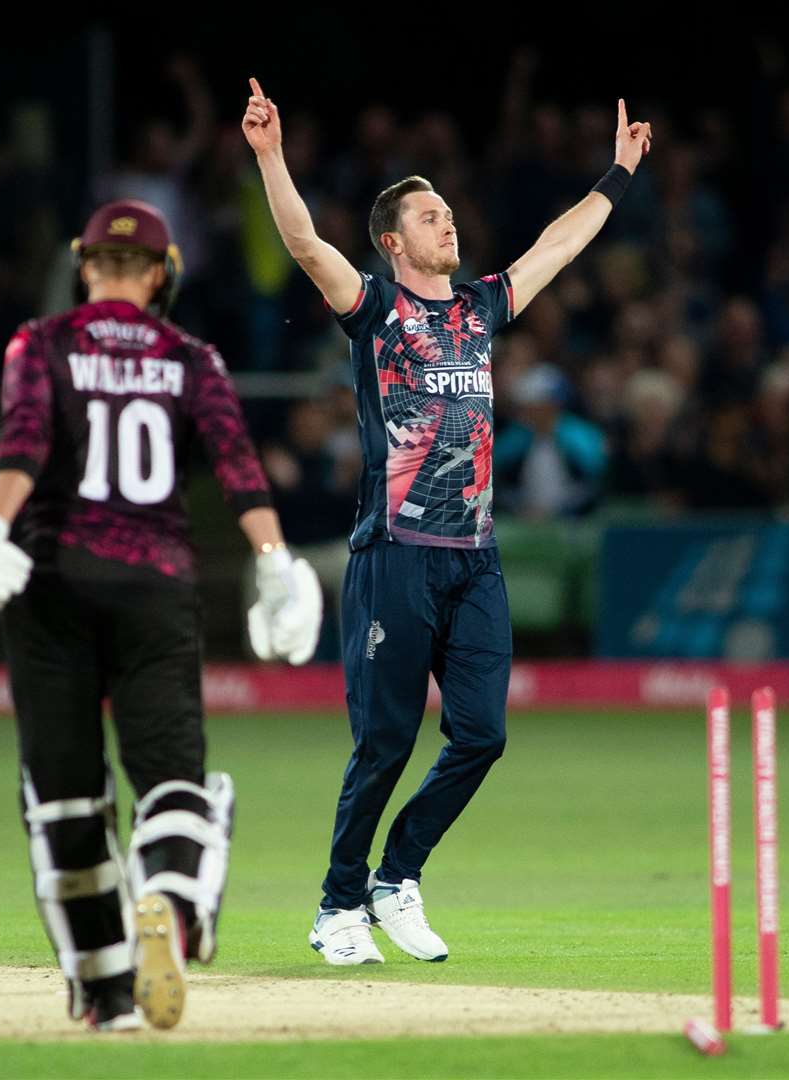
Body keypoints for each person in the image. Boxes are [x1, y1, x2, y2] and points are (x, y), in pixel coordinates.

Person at [243, 78, 650, 964]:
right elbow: (304, 243)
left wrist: (616, 173)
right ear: (392, 243)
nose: (448, 225)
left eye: (450, 213)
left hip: (474, 557)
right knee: (384, 742)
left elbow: (558, 246)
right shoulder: (376, 311)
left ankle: (397, 878)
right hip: (395, 555)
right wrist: (271, 157)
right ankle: (336, 905)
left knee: (483, 735)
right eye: (430, 218)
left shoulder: (478, 309)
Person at [0, 198, 322, 1031]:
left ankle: (106, 996)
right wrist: (274, 564)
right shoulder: (191, 356)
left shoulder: (40, 343)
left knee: (66, 799)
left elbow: (22, 441)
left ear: (86, 268)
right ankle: (170, 900)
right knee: (174, 781)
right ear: (161, 274)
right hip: (155, 584)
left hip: (49, 586)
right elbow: (235, 464)